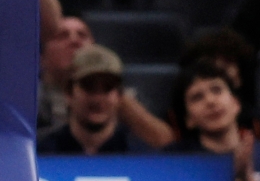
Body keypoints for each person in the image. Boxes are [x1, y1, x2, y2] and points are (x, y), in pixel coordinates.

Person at [38, 16, 175, 147]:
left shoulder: (128, 99)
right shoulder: (32, 99)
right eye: (62, 35)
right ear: (41, 56)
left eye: (82, 35)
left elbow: (165, 143)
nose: (75, 41)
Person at [167, 60, 260, 181]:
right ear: (189, 120)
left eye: (217, 90)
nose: (210, 101)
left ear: (236, 103)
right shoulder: (174, 160)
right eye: (197, 97)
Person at [37, 44, 149, 154]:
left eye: (107, 87)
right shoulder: (39, 153)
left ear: (119, 96)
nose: (98, 98)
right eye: (89, 86)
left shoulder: (141, 155)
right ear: (69, 93)